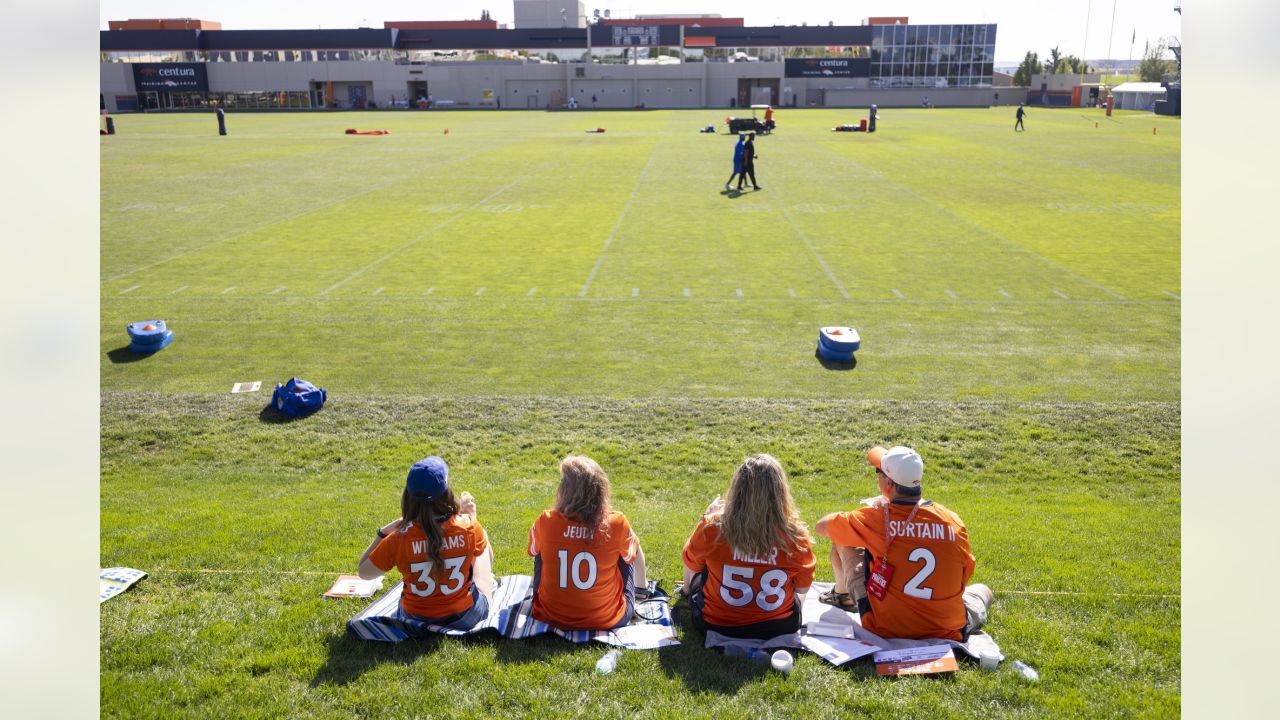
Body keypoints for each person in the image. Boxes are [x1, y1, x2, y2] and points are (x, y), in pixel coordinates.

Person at [815, 446, 993, 641]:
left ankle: (841, 596)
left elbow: (822, 527)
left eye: (879, 473)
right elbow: (963, 576)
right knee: (983, 590)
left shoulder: (875, 519)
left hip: (886, 627)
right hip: (946, 628)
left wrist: (877, 510)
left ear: (889, 483)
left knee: (843, 539)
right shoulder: (953, 521)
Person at [681, 454, 815, 639]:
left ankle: (684, 594)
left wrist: (705, 517)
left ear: (737, 491)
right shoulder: (797, 537)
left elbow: (691, 564)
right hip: (779, 627)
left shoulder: (712, 528)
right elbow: (801, 590)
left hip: (716, 624)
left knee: (697, 566)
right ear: (780, 492)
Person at [357, 456, 495, 632]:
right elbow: (465, 537)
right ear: (446, 492)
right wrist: (472, 517)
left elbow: (364, 572)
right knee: (481, 536)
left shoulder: (398, 538)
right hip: (465, 618)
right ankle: (488, 585)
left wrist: (382, 533)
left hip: (413, 619)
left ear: (408, 495)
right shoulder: (468, 526)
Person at [528, 454, 648, 631]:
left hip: (550, 616)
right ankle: (641, 591)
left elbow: (533, 551)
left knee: (539, 549)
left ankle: (539, 598)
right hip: (607, 619)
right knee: (629, 548)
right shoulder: (616, 522)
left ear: (565, 490)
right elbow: (635, 555)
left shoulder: (545, 520)